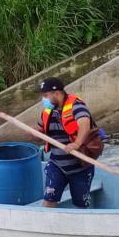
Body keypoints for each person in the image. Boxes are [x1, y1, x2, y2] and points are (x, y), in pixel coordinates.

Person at [35, 77, 98, 208]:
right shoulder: (47, 111)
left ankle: (80, 227)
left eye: (46, 95)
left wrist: (77, 143)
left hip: (81, 167)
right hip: (57, 165)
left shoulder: (76, 105)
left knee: (81, 204)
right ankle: (47, 227)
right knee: (49, 200)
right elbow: (41, 131)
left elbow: (84, 123)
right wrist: (35, 133)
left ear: (57, 93)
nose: (44, 99)